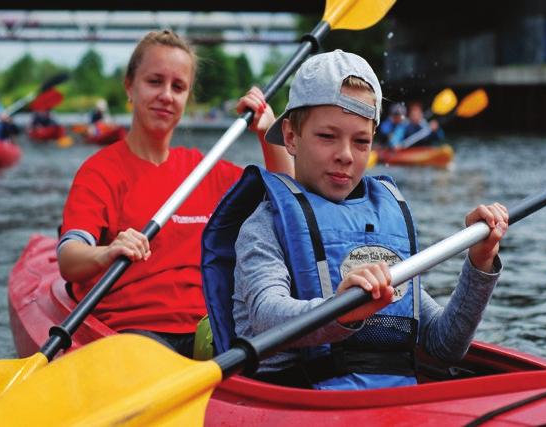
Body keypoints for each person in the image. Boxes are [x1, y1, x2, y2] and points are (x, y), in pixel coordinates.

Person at [201, 50, 508, 390]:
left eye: (361, 141)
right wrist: (342, 310)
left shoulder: (382, 223)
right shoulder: (263, 226)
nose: (345, 154)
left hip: (390, 407)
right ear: (290, 136)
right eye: (327, 137)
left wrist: (480, 264)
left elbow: (444, 344)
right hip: (296, 400)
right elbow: (267, 316)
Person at [56, 29, 292, 358]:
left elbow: (290, 205)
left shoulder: (206, 170)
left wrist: (269, 133)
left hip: (211, 330)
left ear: (186, 97)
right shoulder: (100, 172)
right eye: (154, 81)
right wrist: (107, 252)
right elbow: (69, 259)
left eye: (178, 87)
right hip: (134, 333)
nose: (167, 95)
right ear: (130, 86)